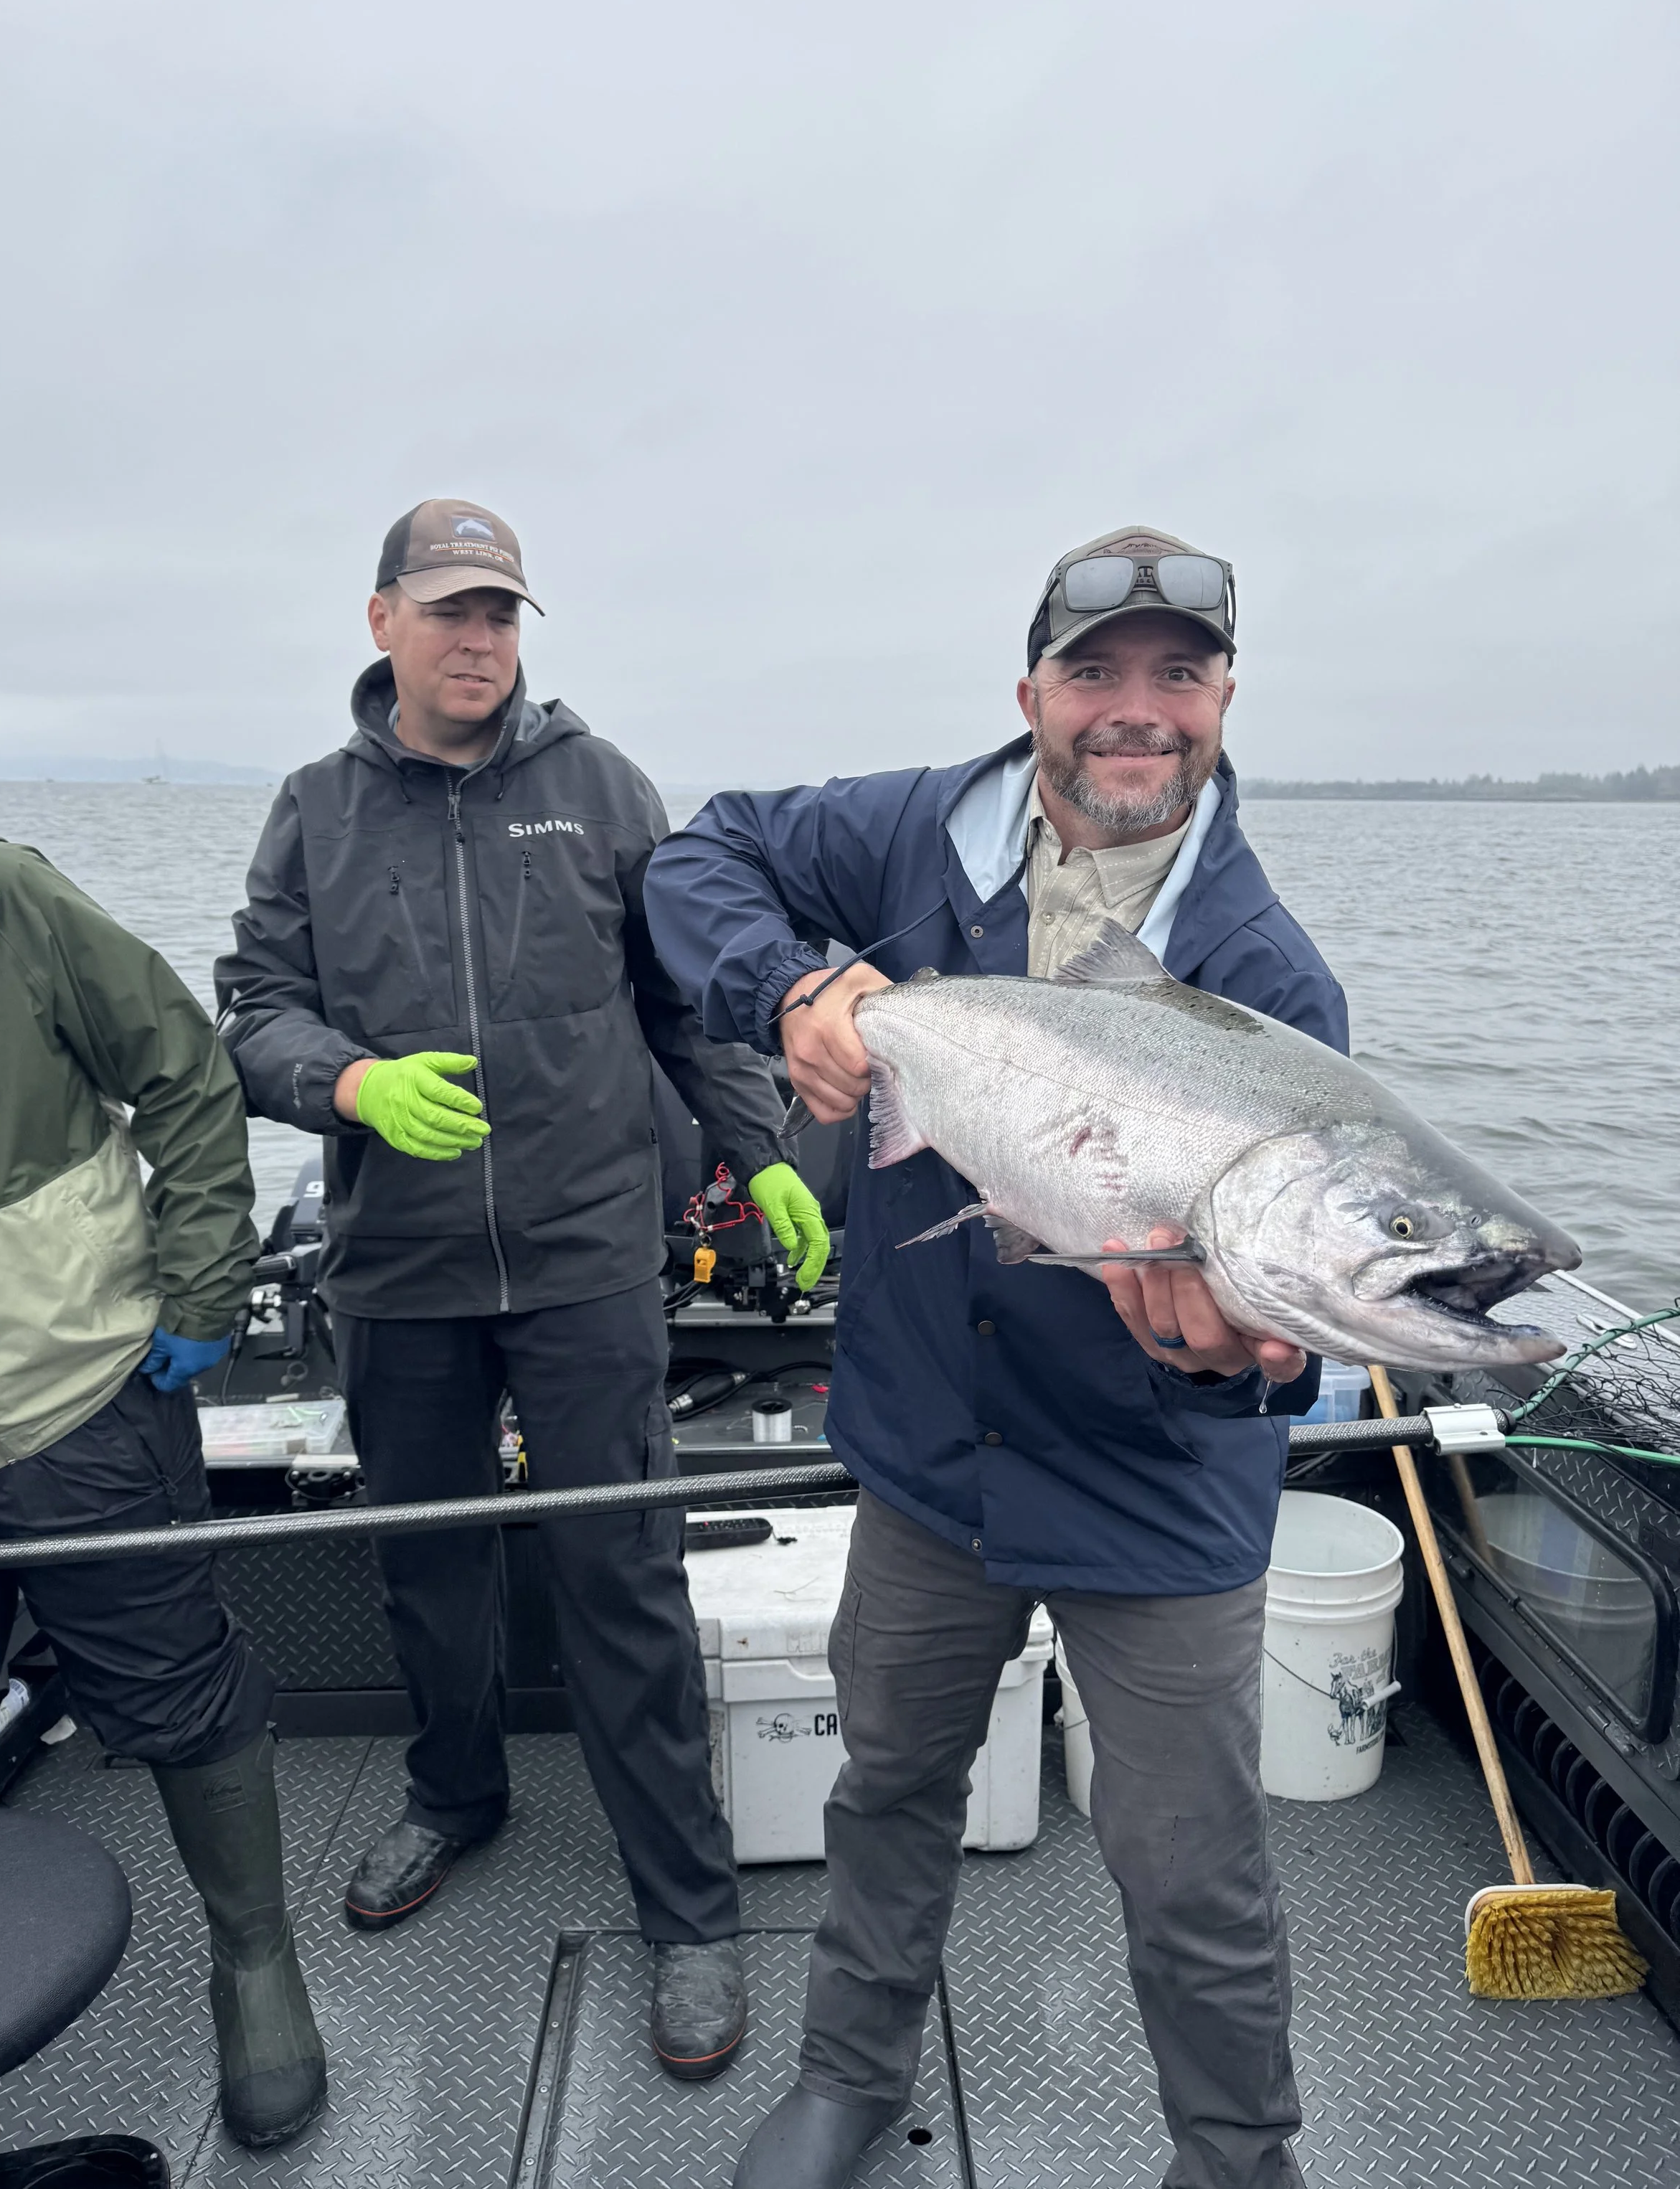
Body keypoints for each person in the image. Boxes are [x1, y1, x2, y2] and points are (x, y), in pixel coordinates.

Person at [644, 526, 1348, 2189]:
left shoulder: (1266, 978)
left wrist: (1222, 1363)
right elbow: (698, 857)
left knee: (1190, 1868)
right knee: (886, 1780)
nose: (1133, 712)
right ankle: (844, 2071)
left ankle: (1235, 2156)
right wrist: (794, 986)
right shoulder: (909, 832)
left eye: (1175, 675)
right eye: (1094, 672)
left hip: (1152, 1494)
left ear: (1224, 698)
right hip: (923, 1446)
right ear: (1027, 686)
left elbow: (1287, 1337)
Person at [214, 497, 828, 2082]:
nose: (479, 641)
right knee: (427, 1570)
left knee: (618, 1575)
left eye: (500, 615)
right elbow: (254, 1006)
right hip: (399, 1266)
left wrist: (758, 1151)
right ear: (380, 625)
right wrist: (342, 1085)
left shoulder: (601, 784)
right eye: (449, 613)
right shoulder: (312, 808)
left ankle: (686, 1908)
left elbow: (687, 998)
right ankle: (455, 1792)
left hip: (580, 1257)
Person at [0, 809, 325, 2151]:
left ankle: (255, 1966)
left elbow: (188, 1072)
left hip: (86, 1403)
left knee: (179, 1695)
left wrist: (204, 1278)